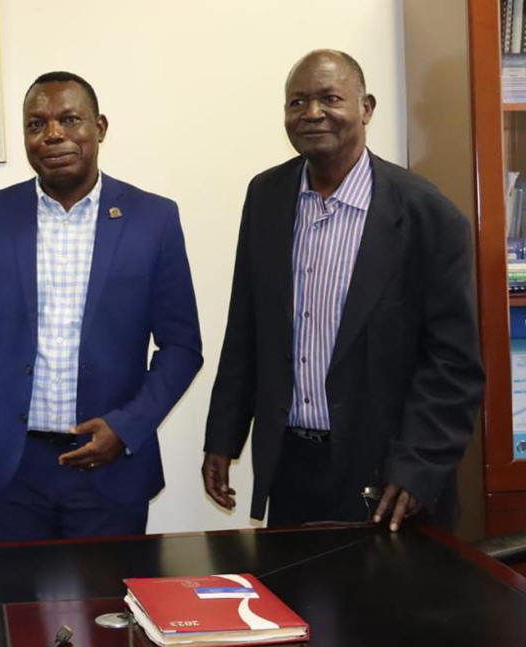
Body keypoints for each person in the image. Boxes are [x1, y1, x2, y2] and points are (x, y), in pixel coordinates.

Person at [0, 71, 202, 542]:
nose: (52, 134)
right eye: (36, 124)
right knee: (11, 611)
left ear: (100, 127)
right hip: (13, 467)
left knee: (110, 612)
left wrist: (127, 426)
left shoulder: (153, 219)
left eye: (69, 119)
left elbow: (181, 347)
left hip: (109, 462)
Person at [202, 50, 484, 532]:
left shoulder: (428, 215)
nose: (312, 113)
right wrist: (223, 438)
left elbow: (453, 365)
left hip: (388, 474)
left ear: (366, 107)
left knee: (385, 608)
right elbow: (247, 327)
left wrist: (418, 467)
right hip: (291, 464)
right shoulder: (266, 197)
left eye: (330, 98)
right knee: (289, 605)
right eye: (297, 102)